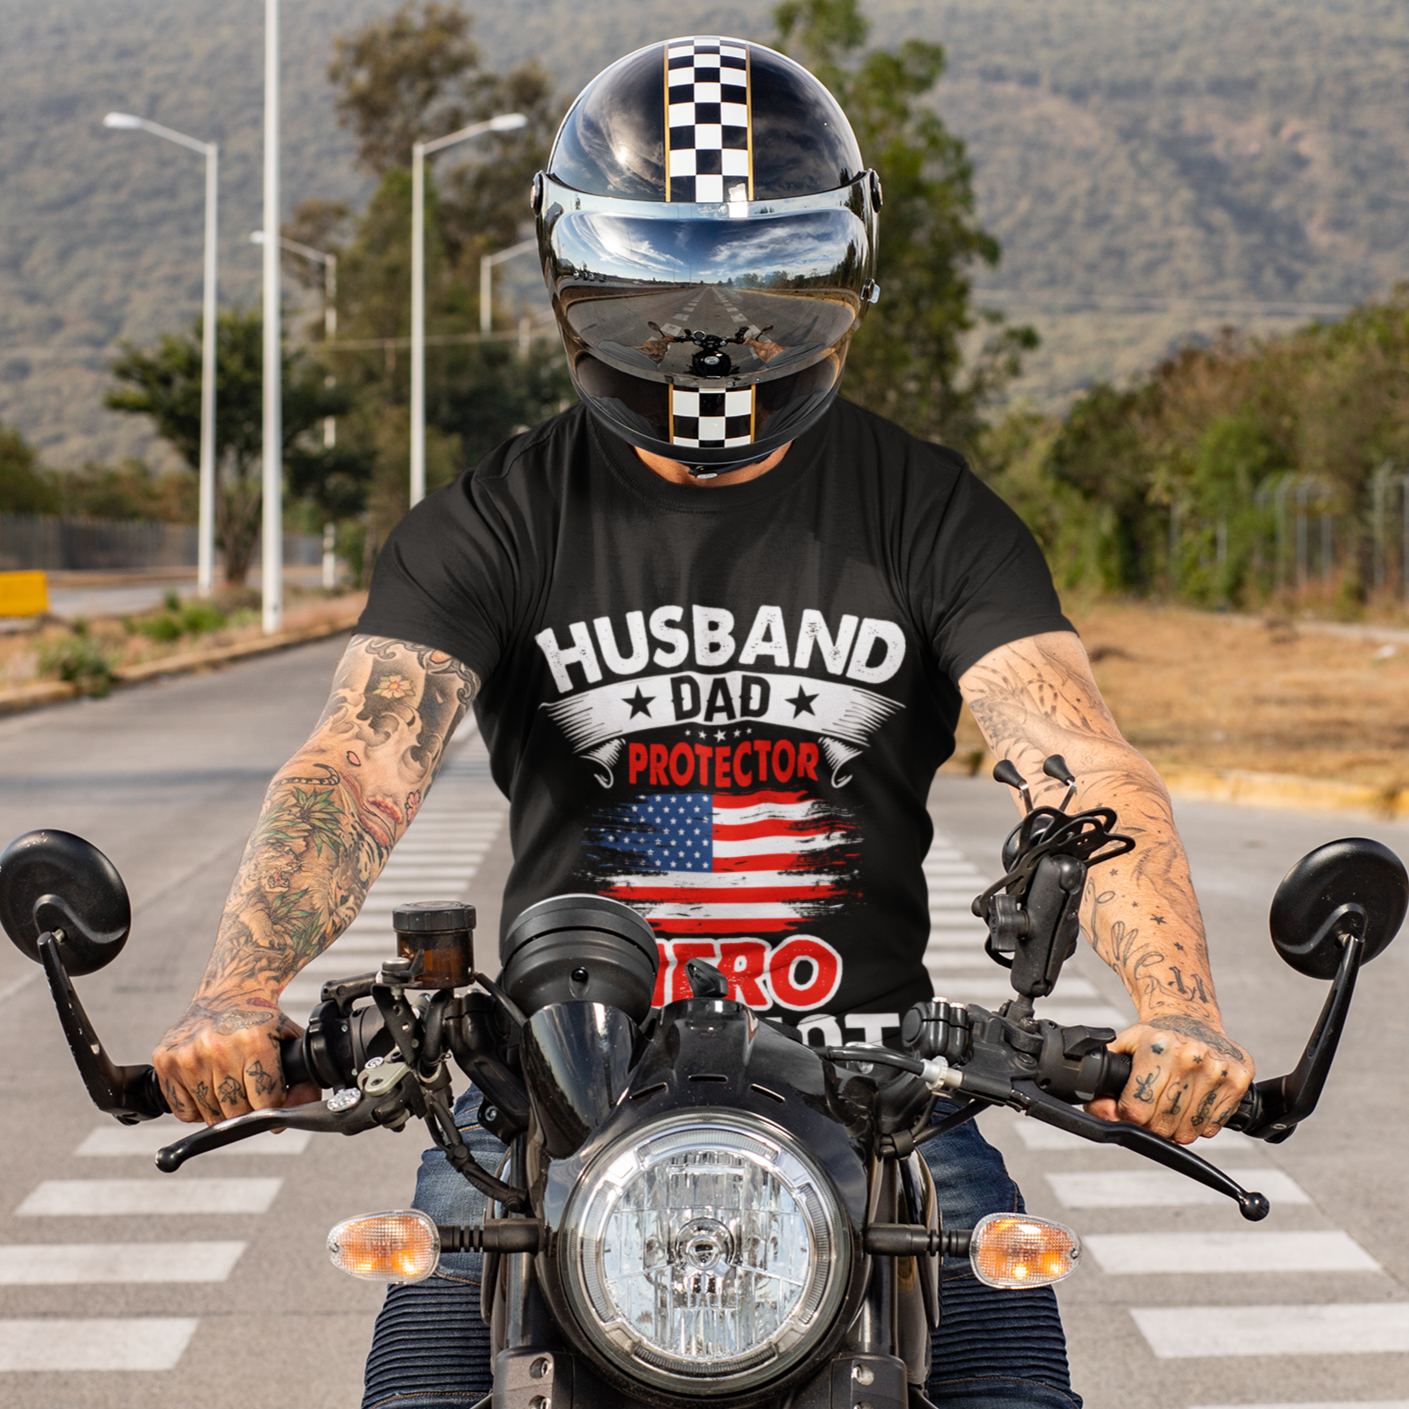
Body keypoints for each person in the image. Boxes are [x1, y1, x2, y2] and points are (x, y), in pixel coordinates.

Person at [153, 35, 1254, 1409]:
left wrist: (1178, 1010)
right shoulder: (497, 519)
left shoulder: (929, 512)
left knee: (1013, 1385)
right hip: (559, 1079)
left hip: (874, 1078)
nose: (713, 328)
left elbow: (1079, 759)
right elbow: (358, 759)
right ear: (575, 279)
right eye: (659, 279)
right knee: (425, 1384)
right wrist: (238, 990)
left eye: (761, 275)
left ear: (841, 272)